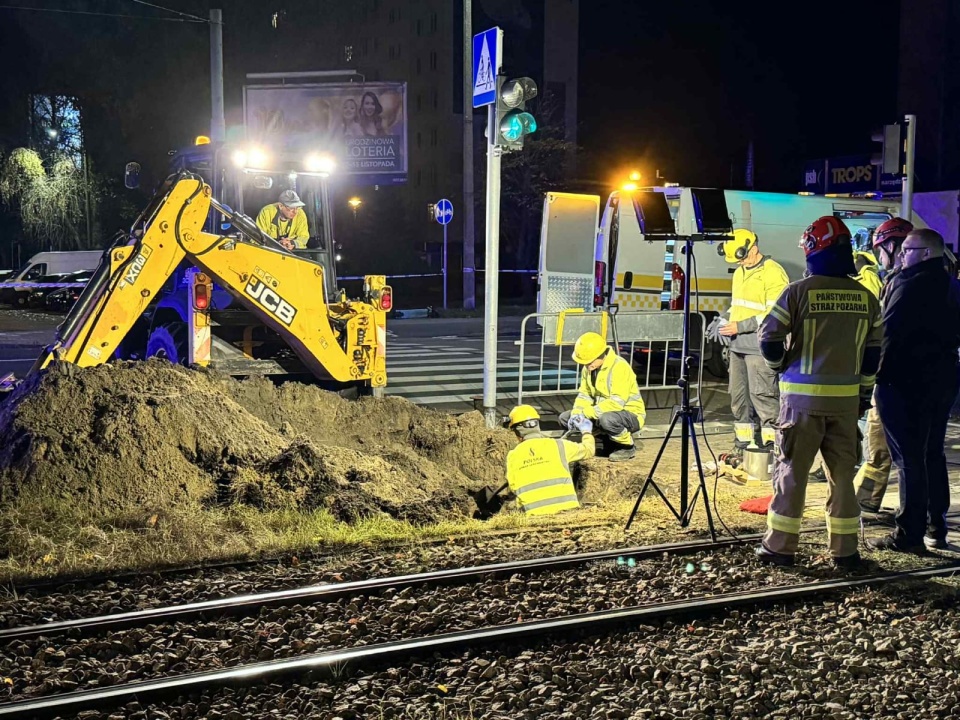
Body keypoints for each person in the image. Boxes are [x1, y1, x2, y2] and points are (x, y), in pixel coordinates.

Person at [756, 216, 882, 568]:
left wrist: (780, 367)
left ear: (813, 251)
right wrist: (862, 396)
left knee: (792, 473)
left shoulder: (798, 292)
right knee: (843, 476)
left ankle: (780, 548)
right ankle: (846, 552)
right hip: (844, 404)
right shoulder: (866, 298)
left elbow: (768, 339)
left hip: (801, 403)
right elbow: (873, 356)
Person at [867, 228, 960, 553]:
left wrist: (875, 379)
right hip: (943, 379)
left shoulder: (906, 284)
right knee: (932, 453)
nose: (902, 255)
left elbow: (888, 334)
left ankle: (909, 535)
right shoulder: (952, 285)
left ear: (924, 253)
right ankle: (937, 529)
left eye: (908, 250)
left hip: (902, 381)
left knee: (908, 458)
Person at [710, 229, 789, 453]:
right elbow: (739, 305)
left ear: (753, 249)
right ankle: (743, 445)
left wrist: (740, 326)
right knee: (739, 399)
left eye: (742, 258)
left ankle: (773, 447)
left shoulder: (773, 272)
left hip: (759, 345)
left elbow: (774, 311)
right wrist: (723, 319)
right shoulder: (740, 272)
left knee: (763, 396)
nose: (740, 263)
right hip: (738, 346)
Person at [854, 218, 913, 515]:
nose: (879, 257)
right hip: (922, 379)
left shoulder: (902, 283)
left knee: (879, 445)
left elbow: (887, 333)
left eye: (880, 250)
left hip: (893, 378)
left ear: (893, 246)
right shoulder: (938, 278)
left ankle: (866, 502)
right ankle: (925, 518)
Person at [558, 332, 646, 462]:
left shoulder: (619, 367)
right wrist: (577, 413)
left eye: (589, 361)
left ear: (601, 355)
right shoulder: (588, 368)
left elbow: (616, 403)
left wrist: (586, 413)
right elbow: (585, 395)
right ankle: (605, 440)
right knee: (565, 419)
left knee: (607, 420)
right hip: (600, 413)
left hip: (630, 414)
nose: (587, 365)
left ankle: (626, 446)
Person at [503, 405, 594, 516]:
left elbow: (512, 487)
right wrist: (586, 431)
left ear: (516, 432)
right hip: (569, 514)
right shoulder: (559, 445)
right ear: (537, 425)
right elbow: (589, 450)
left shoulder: (513, 456)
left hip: (534, 517)